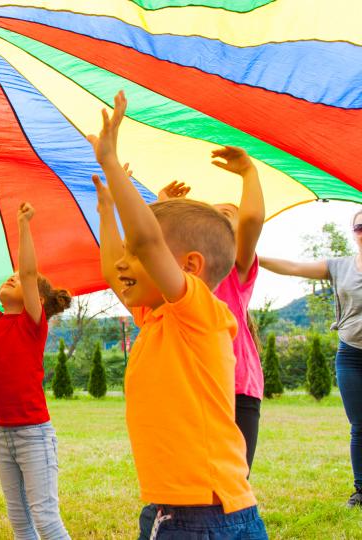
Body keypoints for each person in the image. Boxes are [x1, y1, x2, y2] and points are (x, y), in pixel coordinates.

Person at [91, 90, 267, 538]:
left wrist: (112, 162)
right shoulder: (158, 320)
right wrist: (106, 210)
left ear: (188, 267)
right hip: (185, 509)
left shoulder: (199, 312)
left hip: (201, 515)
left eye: (140, 254)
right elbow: (118, 268)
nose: (127, 264)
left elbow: (147, 243)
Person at [0, 208, 72, 540]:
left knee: (46, 520)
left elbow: (29, 270)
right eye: (11, 275)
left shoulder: (32, 324)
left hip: (34, 435)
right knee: (20, 521)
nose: (13, 277)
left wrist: (23, 226)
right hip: (5, 434)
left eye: (20, 279)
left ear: (37, 298)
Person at [157, 145, 266, 471]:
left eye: (226, 214)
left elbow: (251, 218)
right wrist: (166, 207)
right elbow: (155, 247)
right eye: (211, 214)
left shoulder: (236, 268)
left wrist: (248, 172)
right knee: (192, 477)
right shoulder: (184, 274)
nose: (218, 216)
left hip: (236, 390)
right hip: (189, 388)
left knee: (232, 478)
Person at [259, 209, 362, 507]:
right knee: (359, 426)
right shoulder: (338, 266)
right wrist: (254, 258)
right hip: (351, 355)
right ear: (353, 232)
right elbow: (292, 266)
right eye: (360, 227)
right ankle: (361, 490)